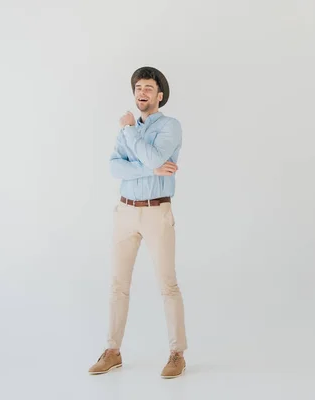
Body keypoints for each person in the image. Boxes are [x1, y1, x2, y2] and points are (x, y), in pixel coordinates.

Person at [88, 66, 187, 379]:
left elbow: (158, 159)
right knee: (118, 284)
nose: (141, 92)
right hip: (125, 212)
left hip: (157, 212)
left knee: (167, 284)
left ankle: (177, 353)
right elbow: (115, 168)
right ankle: (113, 350)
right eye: (138, 87)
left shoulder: (169, 126)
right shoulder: (126, 131)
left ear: (159, 96)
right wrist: (150, 169)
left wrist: (133, 136)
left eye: (148, 88)